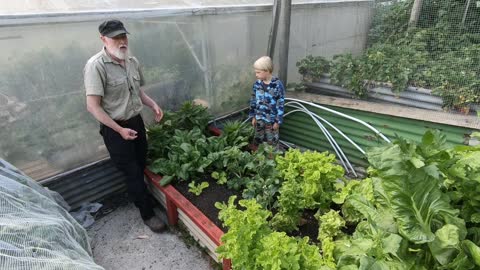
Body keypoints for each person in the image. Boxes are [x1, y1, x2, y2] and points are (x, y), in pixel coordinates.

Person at [84, 19, 166, 232]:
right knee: (131, 172)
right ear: (103, 39)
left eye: (124, 36)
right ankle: (147, 215)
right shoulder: (96, 66)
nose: (121, 41)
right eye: (116, 38)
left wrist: (153, 104)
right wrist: (119, 130)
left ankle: (143, 198)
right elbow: (93, 107)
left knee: (140, 164)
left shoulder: (131, 61)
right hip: (115, 128)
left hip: (136, 122)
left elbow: (138, 91)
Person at [249, 56, 285, 147]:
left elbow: (280, 104)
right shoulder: (257, 84)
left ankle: (271, 159)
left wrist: (277, 121)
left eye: (258, 72)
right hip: (259, 118)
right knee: (258, 139)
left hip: (271, 120)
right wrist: (253, 116)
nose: (256, 74)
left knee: (271, 141)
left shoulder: (277, 85)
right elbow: (253, 100)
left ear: (267, 71)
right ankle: (258, 157)